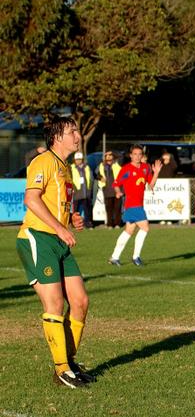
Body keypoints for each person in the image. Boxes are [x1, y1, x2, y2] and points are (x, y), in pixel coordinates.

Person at [15, 116, 94, 388]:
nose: (77, 136)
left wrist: (72, 219)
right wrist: (59, 229)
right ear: (57, 137)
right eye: (72, 131)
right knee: (55, 304)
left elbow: (60, 205)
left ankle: (68, 361)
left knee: (81, 301)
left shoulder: (66, 168)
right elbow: (31, 199)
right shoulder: (43, 161)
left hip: (59, 240)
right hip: (37, 237)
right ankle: (62, 369)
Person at [108, 144, 162, 267]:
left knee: (129, 230)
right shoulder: (126, 169)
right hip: (132, 204)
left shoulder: (146, 167)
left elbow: (151, 185)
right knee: (145, 227)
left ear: (142, 155)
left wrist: (156, 173)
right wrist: (118, 192)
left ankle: (114, 257)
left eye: (139, 154)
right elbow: (116, 183)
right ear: (131, 155)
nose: (137, 156)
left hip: (139, 204)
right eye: (135, 154)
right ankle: (136, 257)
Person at [97, 150, 122, 228]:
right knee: (109, 209)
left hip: (117, 189)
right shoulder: (101, 165)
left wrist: (113, 152)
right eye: (107, 155)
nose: (108, 157)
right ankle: (110, 224)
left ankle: (117, 223)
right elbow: (96, 174)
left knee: (117, 208)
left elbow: (121, 156)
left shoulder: (117, 164)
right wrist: (100, 177)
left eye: (110, 155)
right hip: (107, 189)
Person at [70, 152, 93, 229]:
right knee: (75, 210)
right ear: (74, 160)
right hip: (77, 192)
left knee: (87, 210)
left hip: (86, 192)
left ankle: (87, 223)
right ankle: (74, 224)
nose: (78, 161)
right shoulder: (71, 168)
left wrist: (89, 189)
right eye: (77, 159)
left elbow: (90, 178)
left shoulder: (87, 167)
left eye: (80, 159)